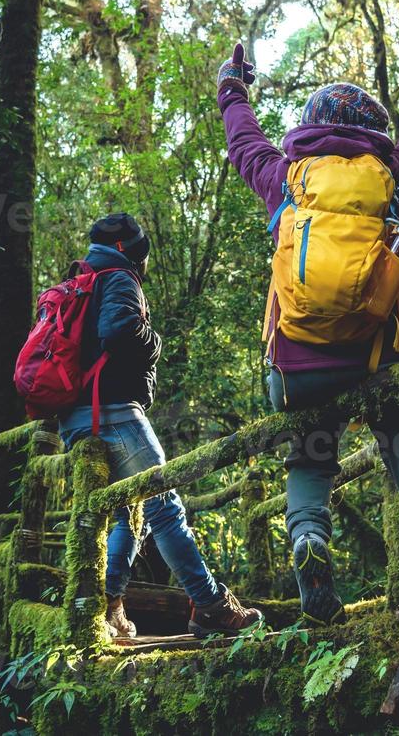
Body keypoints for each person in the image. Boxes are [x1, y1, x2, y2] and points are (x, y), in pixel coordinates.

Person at [216, 32, 399, 624]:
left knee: (309, 459)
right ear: (375, 129)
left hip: (300, 367)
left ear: (309, 124)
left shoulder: (285, 177)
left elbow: (241, 138)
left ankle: (309, 539)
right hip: (381, 359)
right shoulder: (393, 173)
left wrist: (233, 87)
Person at [56, 212, 264, 640]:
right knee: (165, 508)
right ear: (122, 248)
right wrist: (155, 343)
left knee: (132, 514)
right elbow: (120, 330)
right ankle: (209, 606)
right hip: (112, 413)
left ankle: (109, 606)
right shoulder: (116, 277)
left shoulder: (82, 280)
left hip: (79, 415)